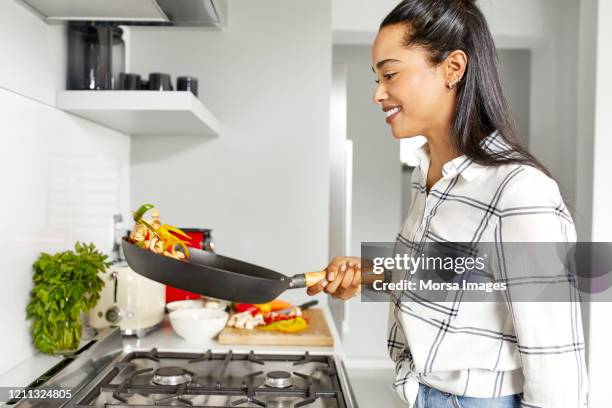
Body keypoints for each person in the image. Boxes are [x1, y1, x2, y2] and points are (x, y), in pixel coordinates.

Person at [307, 0, 589, 407]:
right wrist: (372, 274)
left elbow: (556, 365)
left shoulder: (520, 192)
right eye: (377, 78)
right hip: (421, 394)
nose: (378, 94)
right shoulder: (431, 176)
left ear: (453, 69)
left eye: (390, 74)